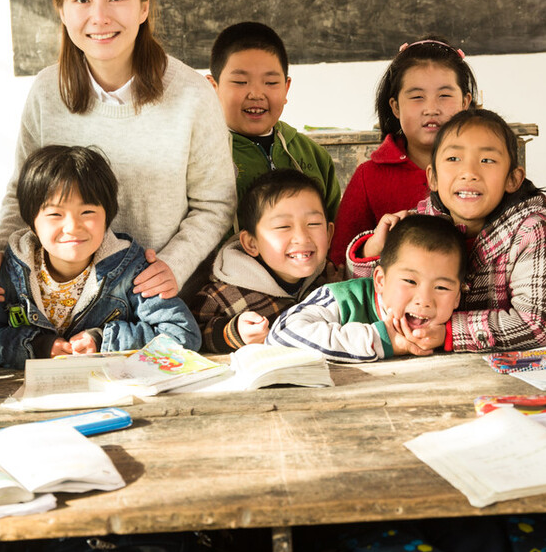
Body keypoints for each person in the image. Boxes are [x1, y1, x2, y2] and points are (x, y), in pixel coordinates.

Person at [0, 0, 234, 303]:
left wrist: (173, 265)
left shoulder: (193, 94)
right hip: (62, 301)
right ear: (62, 10)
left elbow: (215, 204)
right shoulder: (46, 91)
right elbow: (23, 189)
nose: (99, 17)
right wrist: (0, 246)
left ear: (144, 8)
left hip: (154, 298)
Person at [345, 108, 546, 352]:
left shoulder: (531, 231)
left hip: (503, 369)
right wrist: (372, 250)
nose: (469, 173)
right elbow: (373, 291)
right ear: (433, 177)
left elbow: (538, 324)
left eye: (487, 160)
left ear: (512, 179)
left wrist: (450, 333)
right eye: (453, 159)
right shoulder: (419, 225)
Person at [0, 145, 201, 367]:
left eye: (87, 212)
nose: (73, 227)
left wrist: (104, 341)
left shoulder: (133, 270)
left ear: (108, 216)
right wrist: (37, 346)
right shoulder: (7, 272)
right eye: (55, 214)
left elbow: (182, 334)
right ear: (31, 222)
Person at [329, 39, 476, 267]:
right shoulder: (369, 177)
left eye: (445, 96)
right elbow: (338, 266)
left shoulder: (485, 169)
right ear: (395, 106)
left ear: (466, 102)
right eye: (417, 97)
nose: (431, 109)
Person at [267, 214, 464, 362]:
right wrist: (381, 340)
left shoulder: (453, 328)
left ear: (457, 296)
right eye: (410, 282)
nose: (424, 300)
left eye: (441, 287)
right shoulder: (343, 299)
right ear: (380, 280)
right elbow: (282, 335)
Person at [191, 169, 341, 353]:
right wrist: (233, 333)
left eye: (313, 224)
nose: (302, 237)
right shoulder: (222, 296)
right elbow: (189, 334)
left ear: (329, 233)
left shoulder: (325, 282)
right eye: (283, 226)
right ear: (251, 243)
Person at [207, 22, 341, 224]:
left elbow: (336, 230)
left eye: (270, 83)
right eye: (240, 82)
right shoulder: (199, 156)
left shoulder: (313, 155)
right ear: (212, 88)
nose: (256, 94)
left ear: (286, 88)